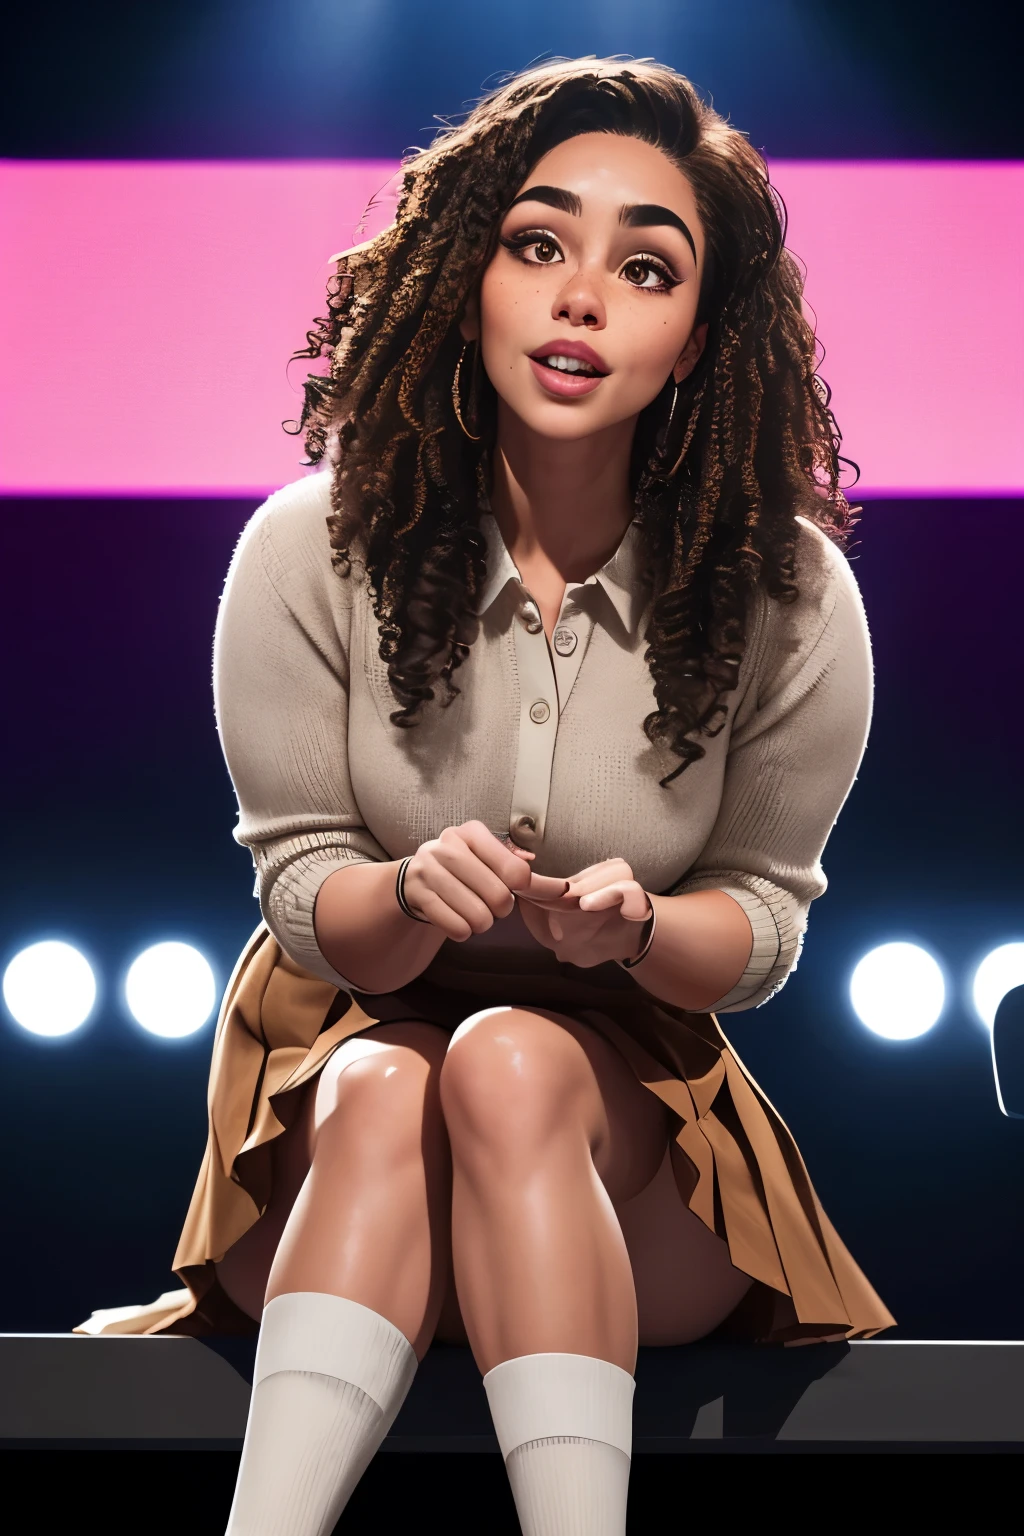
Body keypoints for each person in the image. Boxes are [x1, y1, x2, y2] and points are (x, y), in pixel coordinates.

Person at [77, 56, 894, 1535]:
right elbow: (304, 891)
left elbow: (763, 930)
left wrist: (645, 929)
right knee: (391, 1076)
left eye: (645, 267)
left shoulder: (789, 592)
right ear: (468, 280)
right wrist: (393, 897)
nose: (582, 296)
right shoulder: (306, 549)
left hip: (630, 1157)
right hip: (335, 1130)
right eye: (539, 244)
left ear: (700, 337)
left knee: (513, 1059)